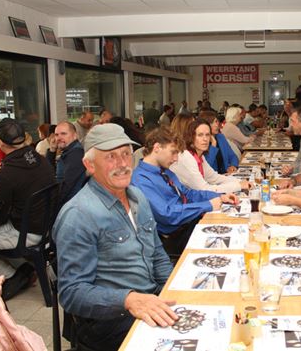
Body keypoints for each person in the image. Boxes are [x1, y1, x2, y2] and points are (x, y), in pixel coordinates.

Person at [53, 123, 178, 351]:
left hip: (150, 300)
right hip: (110, 321)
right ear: (89, 165)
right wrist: (129, 300)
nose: (122, 164)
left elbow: (158, 254)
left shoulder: (137, 196)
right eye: (111, 157)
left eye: (126, 154)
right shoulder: (78, 215)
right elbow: (71, 293)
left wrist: (177, 291)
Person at [132, 127, 238, 256]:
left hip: (187, 225)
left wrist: (220, 197)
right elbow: (167, 214)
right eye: (173, 152)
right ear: (157, 148)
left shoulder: (166, 171)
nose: (176, 159)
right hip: (173, 240)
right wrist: (208, 205)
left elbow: (187, 194)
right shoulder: (141, 180)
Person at [0, 118, 55, 299]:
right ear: (24, 139)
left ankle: (11, 274)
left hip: (27, 234)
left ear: (0, 143)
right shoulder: (42, 160)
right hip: (47, 229)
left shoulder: (6, 174)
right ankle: (24, 268)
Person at [171, 119, 251, 193]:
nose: (205, 139)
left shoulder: (199, 155)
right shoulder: (186, 157)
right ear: (191, 137)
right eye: (200, 135)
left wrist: (240, 181)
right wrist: (238, 186)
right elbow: (204, 189)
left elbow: (214, 178)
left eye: (207, 135)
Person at [46, 121, 86, 205]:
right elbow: (48, 172)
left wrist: (53, 207)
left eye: (63, 134)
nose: (59, 138)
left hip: (70, 205)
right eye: (56, 135)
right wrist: (52, 150)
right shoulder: (69, 151)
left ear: (75, 136)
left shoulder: (76, 154)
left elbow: (67, 187)